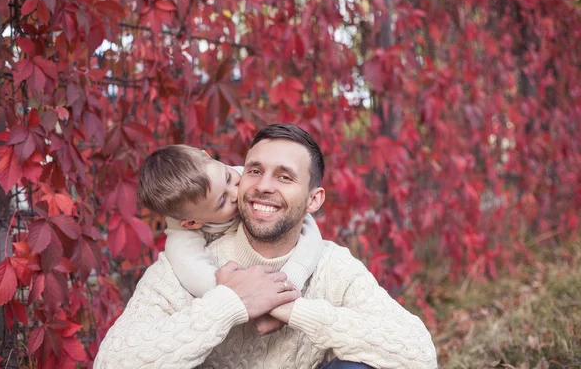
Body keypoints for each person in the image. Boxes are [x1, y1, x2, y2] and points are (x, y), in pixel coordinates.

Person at [94, 124, 437, 369]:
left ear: (313, 200)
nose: (264, 186)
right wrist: (230, 302)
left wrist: (294, 309)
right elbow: (111, 363)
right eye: (255, 170)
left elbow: (418, 354)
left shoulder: (333, 266)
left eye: (285, 177)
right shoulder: (181, 269)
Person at [137, 144, 323, 333]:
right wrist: (239, 296)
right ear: (192, 223)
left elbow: (305, 224)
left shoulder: (247, 178)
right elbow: (196, 274)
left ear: (207, 155)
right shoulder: (181, 238)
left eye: (228, 178)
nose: (236, 193)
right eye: (222, 202)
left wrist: (288, 284)